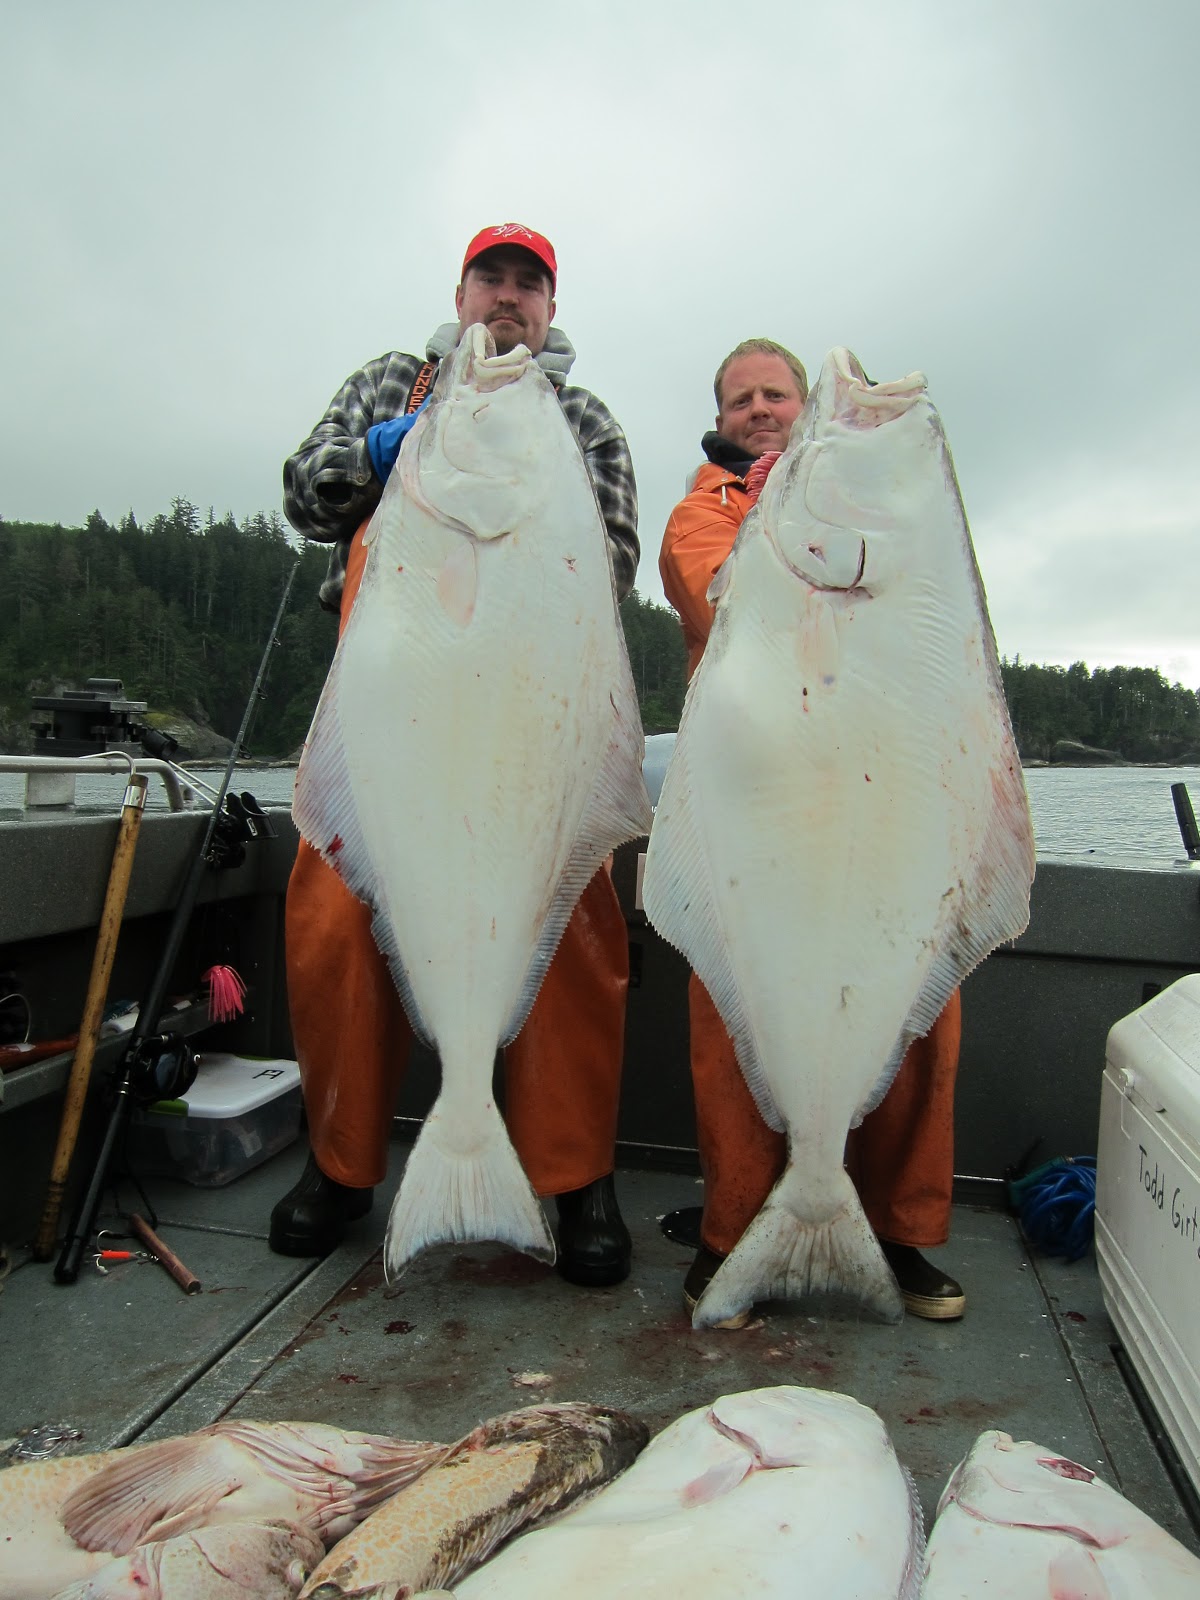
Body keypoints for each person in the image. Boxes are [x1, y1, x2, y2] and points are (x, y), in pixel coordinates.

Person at [271, 223, 639, 1288]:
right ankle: (341, 1165)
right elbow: (303, 492)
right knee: (334, 912)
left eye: (530, 284)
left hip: (531, 716)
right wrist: (381, 455)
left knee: (572, 917)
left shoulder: (585, 420)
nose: (509, 297)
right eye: (493, 277)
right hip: (399, 712)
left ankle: (575, 1178)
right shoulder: (390, 382)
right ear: (462, 291)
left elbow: (612, 563)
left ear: (551, 309)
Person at [659, 337, 965, 1326]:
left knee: (917, 1002)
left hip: (880, 796)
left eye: (776, 393)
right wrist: (775, 514)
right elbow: (718, 596)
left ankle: (900, 1234)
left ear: (803, 408)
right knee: (735, 1011)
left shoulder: (867, 509)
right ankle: (734, 1234)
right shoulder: (705, 513)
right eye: (739, 398)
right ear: (720, 418)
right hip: (756, 811)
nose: (759, 408)